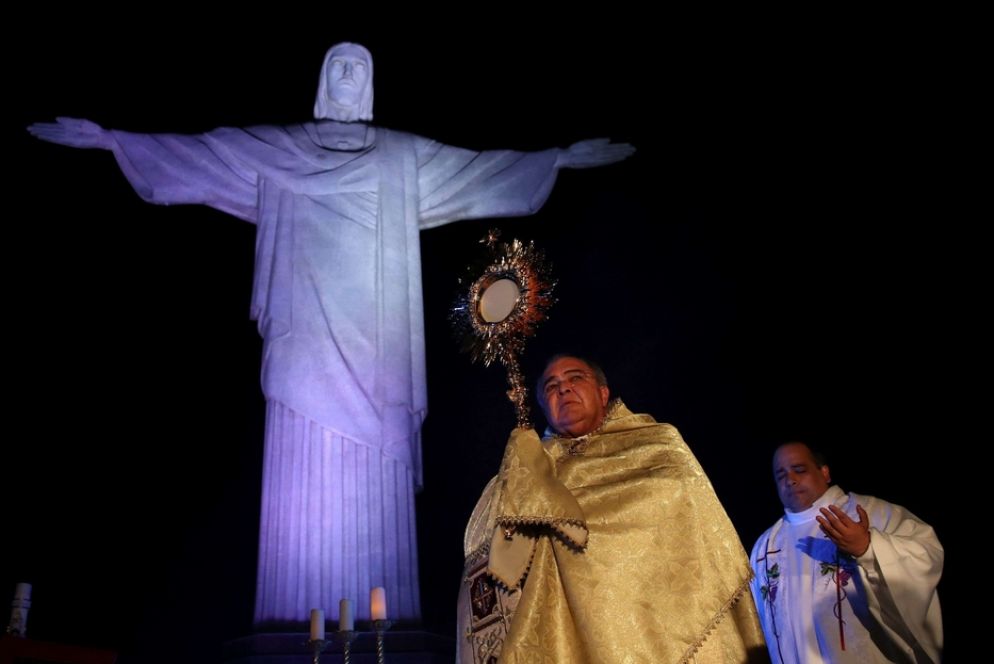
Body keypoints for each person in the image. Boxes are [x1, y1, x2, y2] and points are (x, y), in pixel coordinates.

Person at [27, 43, 634, 626]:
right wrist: (113, 141)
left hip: (380, 350)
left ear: (368, 85)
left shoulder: (400, 155)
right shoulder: (279, 149)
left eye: (357, 67)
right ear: (323, 80)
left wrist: (553, 159)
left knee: (380, 467)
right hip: (303, 342)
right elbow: (204, 156)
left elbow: (473, 168)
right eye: (336, 65)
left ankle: (383, 624)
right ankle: (290, 621)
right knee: (299, 457)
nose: (346, 74)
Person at [457, 355, 768, 663]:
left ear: (603, 393)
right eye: (551, 387)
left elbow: (676, 515)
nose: (563, 389)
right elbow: (492, 547)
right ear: (542, 407)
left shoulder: (655, 443)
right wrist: (520, 476)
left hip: (657, 625)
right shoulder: (532, 468)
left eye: (575, 378)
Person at [750, 441, 943, 663]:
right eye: (780, 475)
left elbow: (928, 554)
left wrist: (868, 547)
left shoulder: (873, 513)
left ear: (825, 472)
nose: (790, 480)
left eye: (800, 470)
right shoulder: (765, 547)